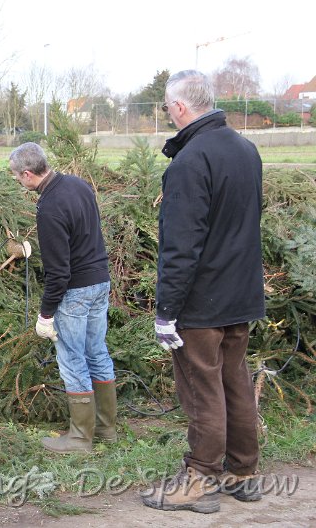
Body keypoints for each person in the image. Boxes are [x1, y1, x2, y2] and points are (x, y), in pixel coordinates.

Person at [142, 70, 265, 514]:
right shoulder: (245, 149)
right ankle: (243, 473)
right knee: (234, 379)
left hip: (203, 301)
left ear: (178, 108)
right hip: (241, 293)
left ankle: (199, 481)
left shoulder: (190, 161)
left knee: (201, 388)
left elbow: (181, 246)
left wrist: (166, 311)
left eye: (166, 107)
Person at [9, 142, 116, 453]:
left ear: (28, 174)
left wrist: (45, 315)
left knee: (72, 359)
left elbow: (58, 272)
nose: (18, 181)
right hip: (100, 282)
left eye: (18, 176)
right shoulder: (78, 185)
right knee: (97, 352)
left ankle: (81, 438)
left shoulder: (49, 207)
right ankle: (106, 430)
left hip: (77, 290)